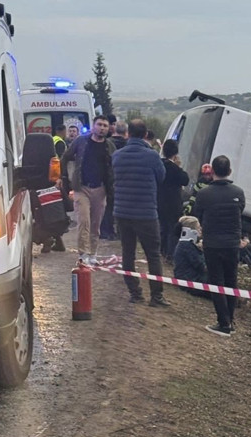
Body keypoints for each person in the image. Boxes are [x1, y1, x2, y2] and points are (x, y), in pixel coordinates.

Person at [111, 119, 169, 307]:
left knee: (128, 254)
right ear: (145, 135)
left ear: (128, 133)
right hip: (146, 213)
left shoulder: (117, 155)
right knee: (153, 255)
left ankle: (135, 293)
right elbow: (161, 177)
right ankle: (156, 297)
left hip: (122, 212)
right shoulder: (152, 156)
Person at [193, 155, 245, 336]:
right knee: (231, 281)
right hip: (232, 244)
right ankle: (229, 320)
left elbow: (196, 214)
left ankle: (223, 323)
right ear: (229, 171)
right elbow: (240, 211)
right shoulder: (238, 192)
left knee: (217, 283)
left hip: (213, 243)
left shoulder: (204, 193)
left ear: (212, 171)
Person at [59, 114, 115, 264]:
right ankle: (83, 255)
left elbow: (113, 166)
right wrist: (64, 177)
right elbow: (66, 157)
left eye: (105, 126)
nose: (102, 128)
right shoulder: (81, 141)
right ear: (93, 126)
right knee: (84, 221)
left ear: (108, 129)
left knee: (96, 224)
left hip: (101, 189)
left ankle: (93, 254)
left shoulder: (109, 146)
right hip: (81, 187)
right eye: (99, 125)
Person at [158, 139, 190, 263]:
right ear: (175, 153)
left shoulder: (159, 164)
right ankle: (170, 254)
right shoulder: (175, 169)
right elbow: (185, 180)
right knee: (172, 229)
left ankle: (161, 249)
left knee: (162, 227)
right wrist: (179, 166)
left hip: (159, 200)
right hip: (173, 203)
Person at [173, 215, 210, 295]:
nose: (201, 230)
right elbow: (201, 266)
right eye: (198, 228)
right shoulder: (187, 246)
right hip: (191, 281)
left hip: (188, 278)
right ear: (192, 231)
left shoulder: (185, 244)